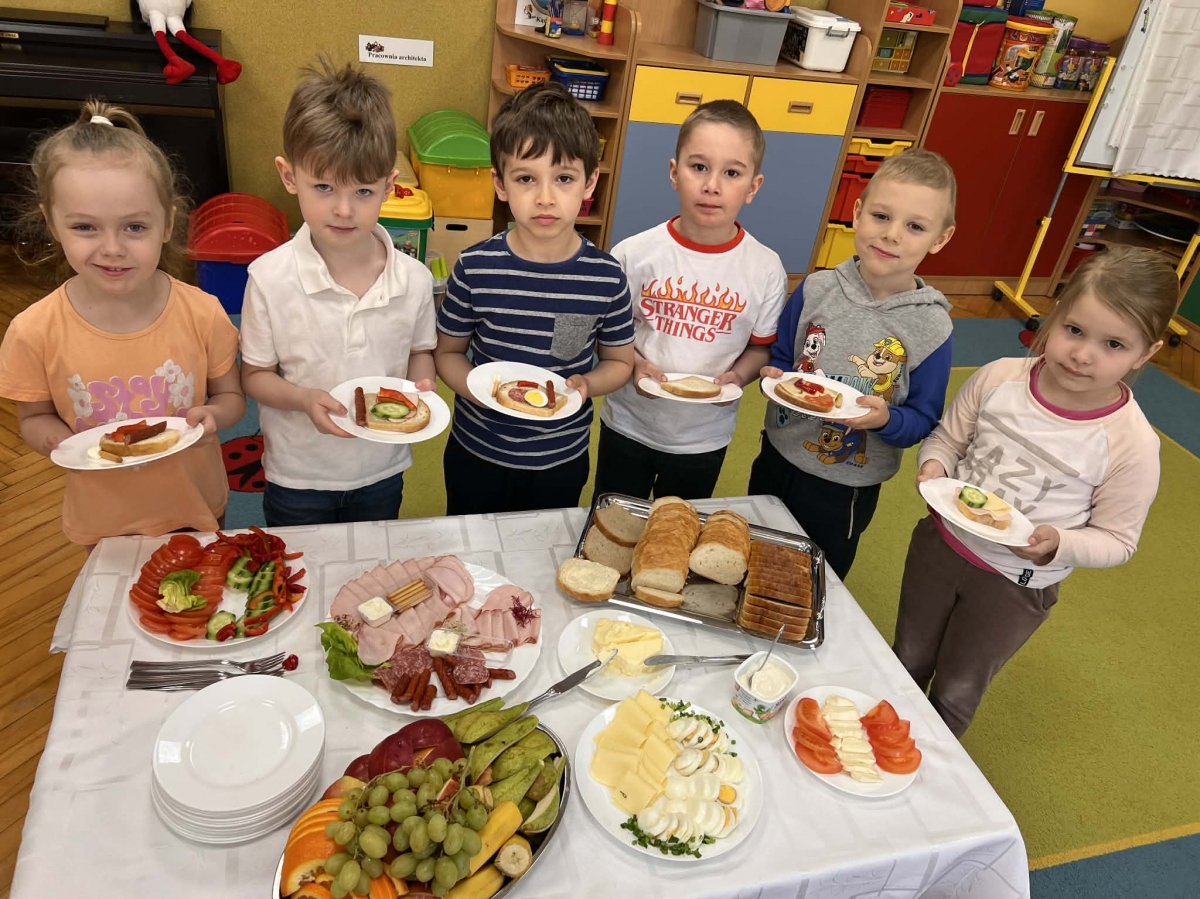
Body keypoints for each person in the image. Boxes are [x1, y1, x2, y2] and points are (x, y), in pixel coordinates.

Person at [895, 247, 1174, 737]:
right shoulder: (999, 377)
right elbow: (947, 441)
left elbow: (1118, 540)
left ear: (1145, 353)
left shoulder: (1131, 443)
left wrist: (1059, 543)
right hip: (939, 546)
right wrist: (933, 467)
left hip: (1015, 585)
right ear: (1055, 313)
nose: (1083, 354)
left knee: (957, 691)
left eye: (1113, 344)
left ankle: (925, 765)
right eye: (1074, 330)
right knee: (906, 659)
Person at [0, 100, 244, 547]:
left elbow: (231, 397)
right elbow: (33, 417)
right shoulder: (33, 331)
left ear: (167, 224)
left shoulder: (202, 312)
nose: (112, 248)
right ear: (52, 223)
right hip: (102, 519)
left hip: (196, 505)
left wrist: (214, 415)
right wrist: (57, 442)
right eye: (85, 227)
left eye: (134, 227)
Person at [239, 59, 437, 526]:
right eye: (324, 187)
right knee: (300, 564)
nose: (344, 209)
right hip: (297, 474)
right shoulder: (268, 278)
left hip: (382, 467)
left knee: (374, 565)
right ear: (290, 176)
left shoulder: (414, 279)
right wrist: (303, 399)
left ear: (389, 186)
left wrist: (421, 386)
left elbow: (419, 351)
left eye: (363, 191)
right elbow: (255, 376)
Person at [751, 149, 957, 579]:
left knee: (818, 576)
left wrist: (886, 420)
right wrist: (774, 375)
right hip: (777, 454)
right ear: (858, 213)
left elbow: (923, 419)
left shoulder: (933, 326)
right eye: (881, 216)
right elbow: (784, 358)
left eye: (915, 226)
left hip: (847, 483)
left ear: (940, 239)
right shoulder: (816, 288)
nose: (892, 235)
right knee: (754, 552)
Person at [434, 82, 634, 515]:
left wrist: (589, 384)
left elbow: (620, 362)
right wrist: (479, 391)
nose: (545, 197)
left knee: (543, 546)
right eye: (526, 178)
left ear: (589, 183)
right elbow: (446, 353)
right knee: (470, 543)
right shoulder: (475, 267)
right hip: (478, 449)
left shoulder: (606, 277)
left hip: (560, 457)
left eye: (564, 178)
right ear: (500, 184)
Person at [593, 100, 787, 501]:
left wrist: (738, 377)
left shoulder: (766, 269)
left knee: (678, 526)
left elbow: (760, 349)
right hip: (628, 423)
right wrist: (634, 364)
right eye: (699, 167)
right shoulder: (632, 255)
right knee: (613, 518)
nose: (712, 185)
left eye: (731, 173)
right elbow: (607, 337)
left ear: (753, 187)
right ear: (673, 173)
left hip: (704, 437)